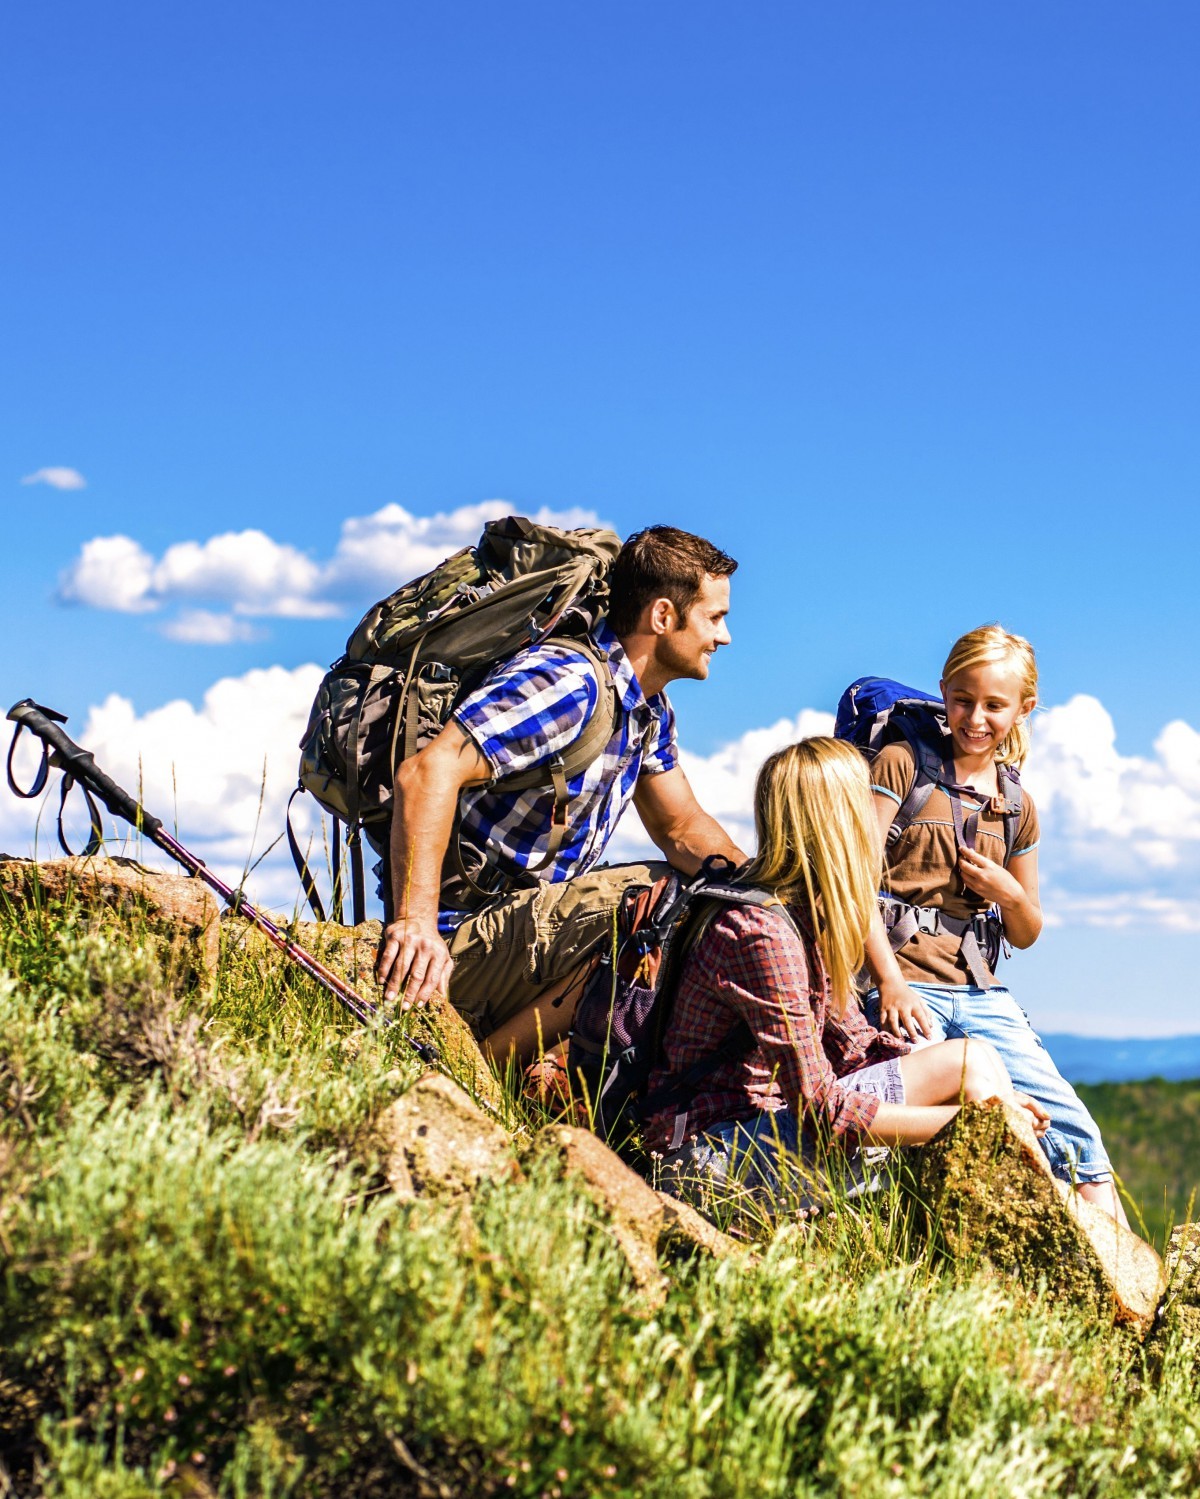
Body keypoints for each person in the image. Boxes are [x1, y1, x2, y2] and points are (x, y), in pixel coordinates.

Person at [374, 524, 749, 1061]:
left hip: (520, 928)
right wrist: (415, 925)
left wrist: (765, 892)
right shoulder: (571, 683)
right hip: (461, 934)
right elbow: (427, 773)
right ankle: (479, 1069)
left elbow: (681, 827)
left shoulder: (649, 712)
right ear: (663, 616)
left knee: (702, 893)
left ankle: (492, 1068)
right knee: (655, 896)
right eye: (715, 618)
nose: (725, 637)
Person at [648, 737, 1049, 1206]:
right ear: (840, 822)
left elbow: (855, 1047)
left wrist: (977, 1100)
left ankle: (1040, 1231)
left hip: (759, 1130)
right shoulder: (761, 933)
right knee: (969, 1085)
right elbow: (822, 1111)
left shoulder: (806, 913)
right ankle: (1043, 1238)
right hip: (705, 1159)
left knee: (969, 1061)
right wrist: (975, 1121)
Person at [862, 624, 1128, 1225]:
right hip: (901, 982)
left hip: (979, 992)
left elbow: (1028, 930)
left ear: (1023, 709)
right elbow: (854, 885)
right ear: (944, 692)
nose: (974, 717)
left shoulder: (1017, 805)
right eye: (962, 700)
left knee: (1076, 1135)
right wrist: (890, 983)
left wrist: (1008, 893)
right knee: (989, 1122)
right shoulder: (901, 765)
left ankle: (1118, 1278)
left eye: (993, 705)